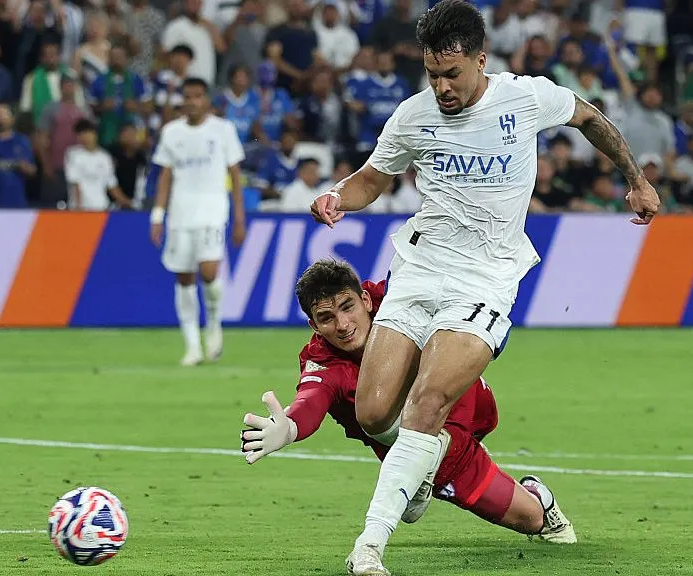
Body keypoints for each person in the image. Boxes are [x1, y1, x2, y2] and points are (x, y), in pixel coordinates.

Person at [309, 2, 660, 574]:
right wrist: (336, 198)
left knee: (427, 403)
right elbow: (373, 177)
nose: (442, 87)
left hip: (486, 277)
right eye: (432, 75)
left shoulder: (526, 97)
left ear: (480, 59)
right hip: (420, 268)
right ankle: (419, 467)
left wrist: (636, 179)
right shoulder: (413, 115)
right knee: (373, 414)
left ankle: (368, 546)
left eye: (452, 74)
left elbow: (590, 117)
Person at [240, 260, 549, 536]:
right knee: (532, 519)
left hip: (464, 401)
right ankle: (535, 494)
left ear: (365, 300)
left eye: (347, 307)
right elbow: (310, 398)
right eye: (327, 317)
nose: (343, 325)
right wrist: (290, 428)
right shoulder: (325, 363)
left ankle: (424, 467)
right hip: (425, 449)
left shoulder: (399, 298)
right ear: (314, 326)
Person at [149, 78, 247, 366]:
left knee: (208, 271)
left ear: (206, 100)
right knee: (184, 277)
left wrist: (239, 217)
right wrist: (157, 215)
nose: (192, 101)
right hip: (180, 213)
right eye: (187, 96)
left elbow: (236, 176)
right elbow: (165, 177)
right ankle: (192, 346)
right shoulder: (171, 132)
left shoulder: (223, 130)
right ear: (182, 100)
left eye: (198, 96)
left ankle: (214, 323)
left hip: (213, 210)